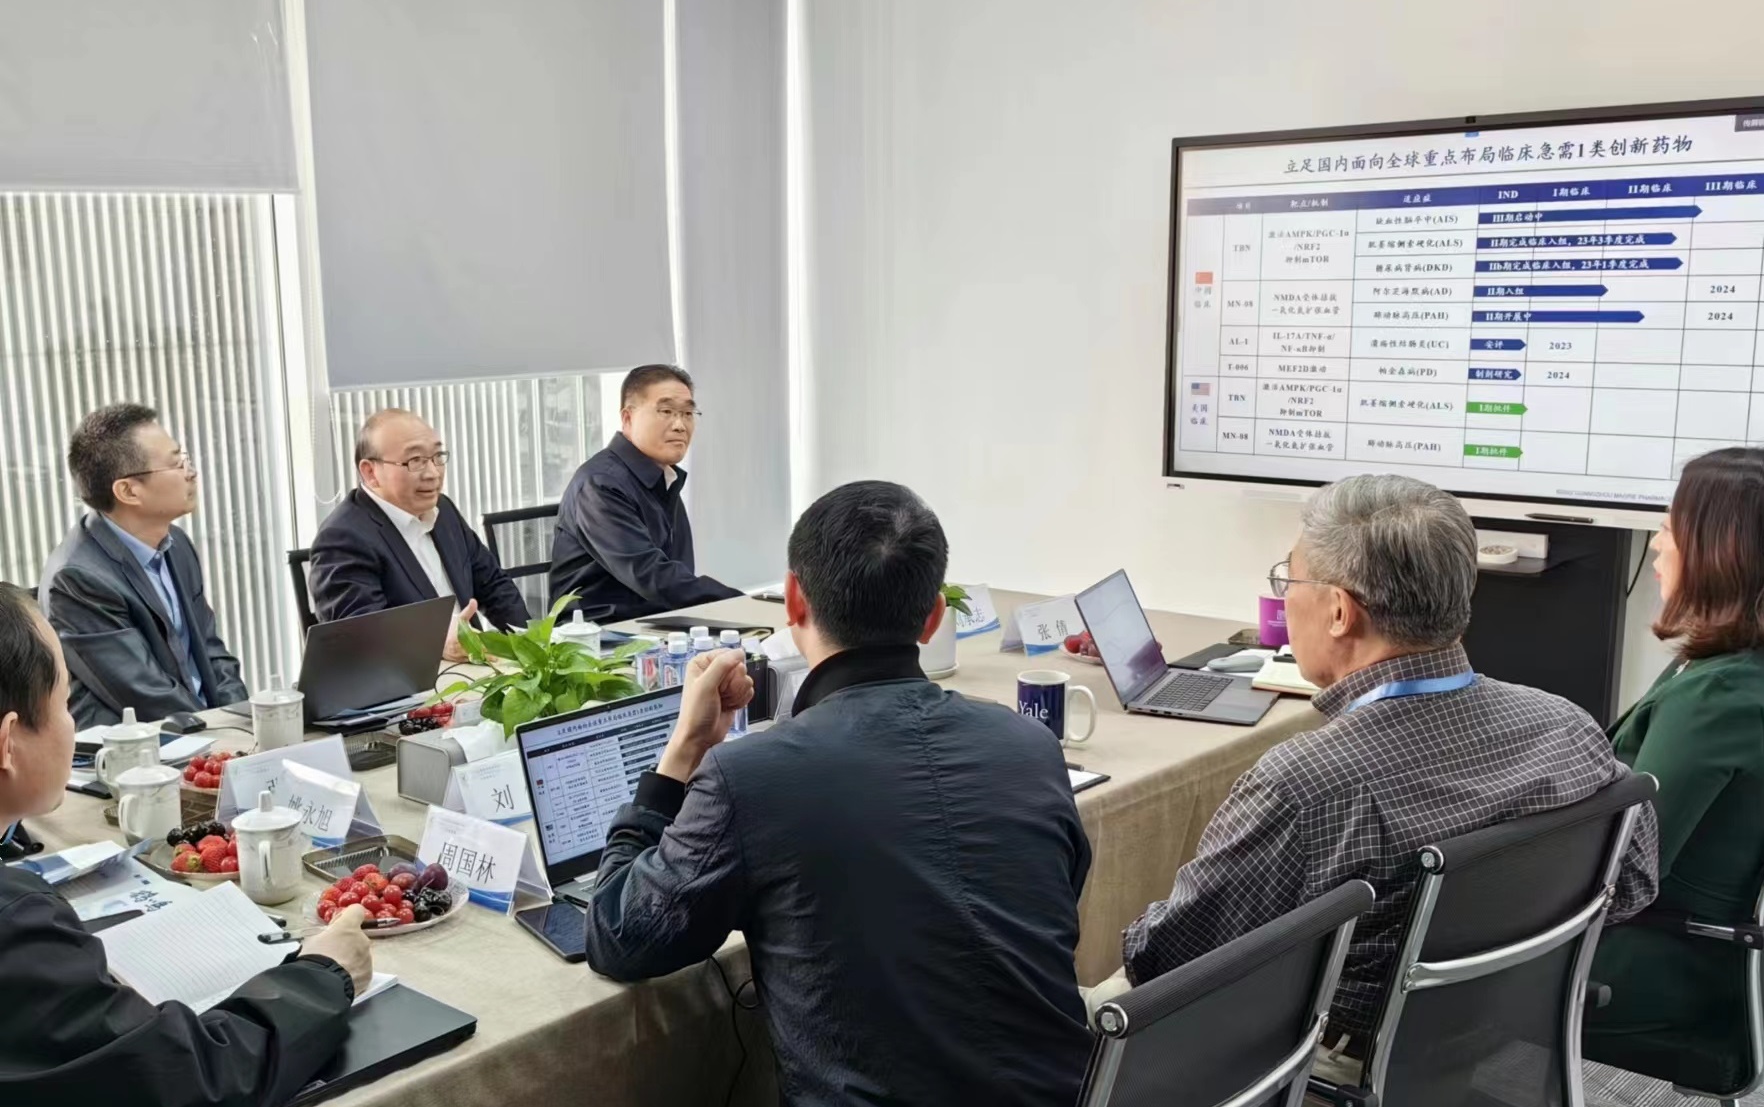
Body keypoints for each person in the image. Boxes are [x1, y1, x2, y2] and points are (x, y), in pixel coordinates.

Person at [1116, 474, 1658, 1084]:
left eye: (1289, 581)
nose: (1284, 598)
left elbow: (1169, 963)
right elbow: (1633, 885)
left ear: (1339, 611)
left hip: (1330, 1058)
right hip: (1493, 1032)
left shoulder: (1308, 784)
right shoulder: (1567, 726)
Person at [582, 481, 1094, 1106]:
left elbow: (619, 938)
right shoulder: (1031, 745)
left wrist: (683, 750)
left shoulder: (753, 777)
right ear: (934, 616)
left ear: (793, 598)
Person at [0, 582, 374, 1105]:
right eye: (65, 702)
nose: (74, 723)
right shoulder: (17, 928)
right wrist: (324, 974)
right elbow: (192, 1076)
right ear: (8, 742)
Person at [1585, 447, 1764, 1063]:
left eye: (1667, 527)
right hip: (1699, 954)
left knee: (1403, 954)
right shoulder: (1730, 671)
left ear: (1720, 551)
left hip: (1653, 967)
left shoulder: (1718, 698)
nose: (1658, 545)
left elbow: (1622, 869)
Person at [38, 404, 248, 728]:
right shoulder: (77, 578)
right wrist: (221, 730)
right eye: (176, 463)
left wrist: (244, 718)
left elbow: (212, 652)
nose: (191, 472)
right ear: (128, 491)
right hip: (137, 745)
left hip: (206, 730)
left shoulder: (176, 544)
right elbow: (143, 694)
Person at [308, 409, 528, 661]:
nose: (433, 473)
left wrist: (531, 647)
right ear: (370, 472)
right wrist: (437, 643)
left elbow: (494, 585)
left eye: (437, 457)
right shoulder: (342, 539)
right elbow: (362, 640)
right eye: (415, 461)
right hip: (416, 677)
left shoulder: (443, 510)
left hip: (474, 667)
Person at [548, 365, 740, 623]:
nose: (680, 425)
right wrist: (739, 604)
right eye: (666, 411)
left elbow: (677, 574)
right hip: (598, 633)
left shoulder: (665, 477)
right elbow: (650, 575)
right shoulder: (600, 484)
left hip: (658, 625)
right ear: (628, 418)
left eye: (687, 413)